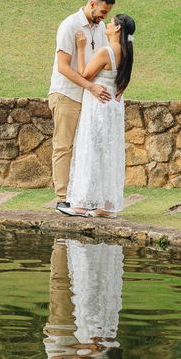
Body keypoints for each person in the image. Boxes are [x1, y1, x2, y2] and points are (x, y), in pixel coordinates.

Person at [49, 0, 116, 216]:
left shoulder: (99, 30)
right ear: (91, 4)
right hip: (67, 93)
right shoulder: (70, 26)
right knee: (64, 145)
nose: (104, 16)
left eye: (107, 14)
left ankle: (81, 196)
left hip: (89, 98)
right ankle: (62, 198)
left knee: (86, 147)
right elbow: (63, 67)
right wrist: (90, 87)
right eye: (103, 11)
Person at [65, 14, 136, 218]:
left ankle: (82, 203)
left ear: (117, 29)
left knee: (91, 149)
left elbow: (84, 74)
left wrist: (80, 48)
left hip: (98, 106)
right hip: (113, 107)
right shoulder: (126, 51)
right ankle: (106, 205)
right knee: (108, 153)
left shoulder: (106, 52)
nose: (107, 24)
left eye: (111, 22)